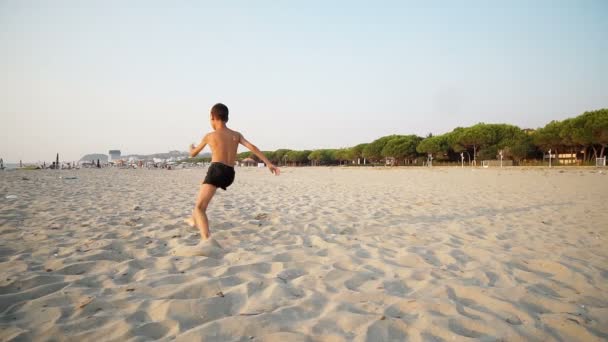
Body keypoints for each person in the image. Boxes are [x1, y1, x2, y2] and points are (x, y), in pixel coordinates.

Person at [183, 103, 280, 254]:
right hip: (229, 174)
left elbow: (193, 154)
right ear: (226, 117)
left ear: (212, 117)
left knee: (200, 207)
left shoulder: (210, 136)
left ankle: (206, 240)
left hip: (216, 169)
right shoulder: (236, 135)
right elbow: (252, 147)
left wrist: (191, 148)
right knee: (203, 187)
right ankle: (193, 219)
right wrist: (268, 163)